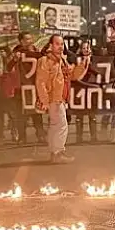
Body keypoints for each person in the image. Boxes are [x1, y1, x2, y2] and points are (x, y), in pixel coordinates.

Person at [35, 34, 88, 163]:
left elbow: (73, 76)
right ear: (51, 45)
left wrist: (84, 61)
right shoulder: (45, 61)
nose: (60, 47)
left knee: (55, 126)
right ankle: (58, 152)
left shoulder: (62, 61)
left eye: (62, 44)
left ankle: (55, 153)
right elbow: (40, 82)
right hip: (55, 99)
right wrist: (45, 100)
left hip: (61, 99)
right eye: (57, 44)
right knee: (61, 126)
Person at [6, 32, 46, 144]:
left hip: (35, 87)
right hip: (21, 88)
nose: (30, 41)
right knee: (21, 114)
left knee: (37, 113)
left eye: (30, 38)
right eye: (27, 39)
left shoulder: (37, 52)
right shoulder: (17, 53)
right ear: (21, 41)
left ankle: (40, 135)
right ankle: (22, 137)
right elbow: (8, 68)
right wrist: (14, 59)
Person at [74, 41, 99, 143]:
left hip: (91, 90)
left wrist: (90, 63)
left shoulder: (95, 60)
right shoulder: (77, 60)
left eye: (88, 48)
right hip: (80, 89)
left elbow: (98, 72)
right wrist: (84, 63)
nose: (86, 50)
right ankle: (79, 137)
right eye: (84, 48)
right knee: (79, 115)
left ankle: (94, 137)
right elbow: (77, 74)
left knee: (92, 114)